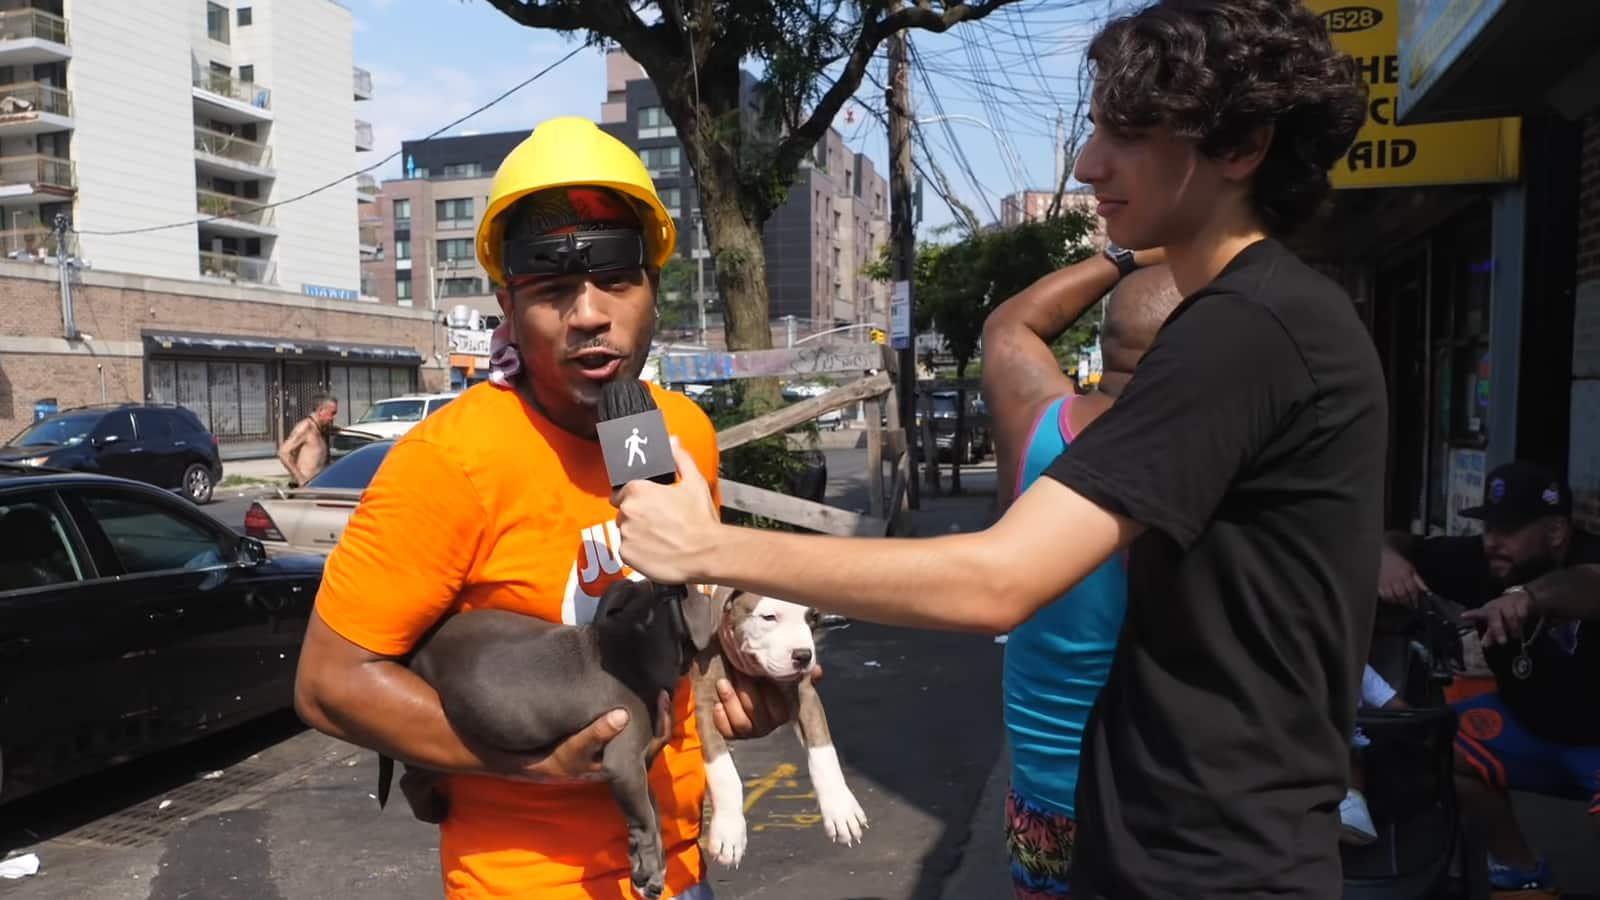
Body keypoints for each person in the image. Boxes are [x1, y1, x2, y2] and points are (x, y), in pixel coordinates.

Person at [614, 2, 1383, 896]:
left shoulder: (1250, 330)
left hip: (1219, 861)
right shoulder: (1252, 319)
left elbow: (998, 580)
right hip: (1176, 833)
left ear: (1243, 143)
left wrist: (709, 546)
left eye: (1125, 133)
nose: (1090, 162)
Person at [293, 117, 732, 900]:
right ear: (507, 302)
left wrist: (731, 683)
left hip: (678, 863)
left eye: (615, 281)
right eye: (554, 289)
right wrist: (523, 761)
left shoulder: (673, 434)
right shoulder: (450, 463)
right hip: (528, 881)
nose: (589, 314)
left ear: (654, 288)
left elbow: (675, 614)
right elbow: (331, 683)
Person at [980, 249, 1180, 898]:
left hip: (1042, 796)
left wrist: (1132, 256)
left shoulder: (1036, 424)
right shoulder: (1195, 454)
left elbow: (1010, 325)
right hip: (1158, 801)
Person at [1377, 461, 1600, 898]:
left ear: (1555, 532)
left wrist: (1527, 598)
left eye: (1509, 529)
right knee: (1440, 741)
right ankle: (1523, 874)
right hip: (1533, 731)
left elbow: (1589, 584)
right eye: (1488, 527)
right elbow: (1401, 540)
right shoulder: (1486, 560)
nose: (1492, 541)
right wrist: (1387, 559)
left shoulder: (1587, 557)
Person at [277, 393, 337, 487]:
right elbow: (283, 452)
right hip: (304, 490)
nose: (334, 418)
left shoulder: (322, 429)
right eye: (332, 413)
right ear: (321, 410)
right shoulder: (305, 428)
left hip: (318, 488)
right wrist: (300, 478)